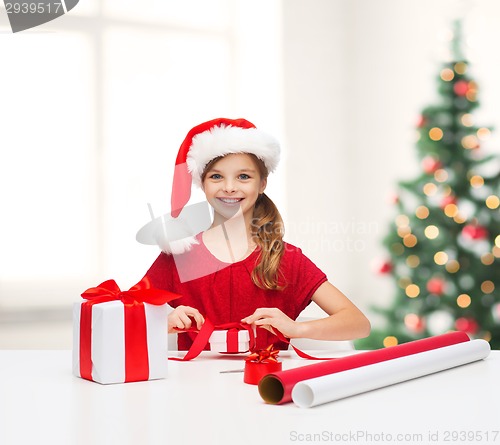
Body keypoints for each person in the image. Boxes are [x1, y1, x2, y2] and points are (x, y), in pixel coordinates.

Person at [143, 118, 370, 350]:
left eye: (243, 176)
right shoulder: (181, 255)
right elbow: (121, 316)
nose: (229, 187)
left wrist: (297, 329)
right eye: (216, 176)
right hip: (194, 385)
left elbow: (358, 323)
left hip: (266, 384)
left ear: (262, 184)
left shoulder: (286, 258)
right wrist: (162, 323)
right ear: (202, 183)